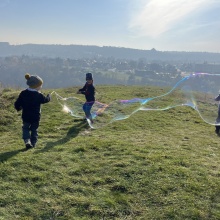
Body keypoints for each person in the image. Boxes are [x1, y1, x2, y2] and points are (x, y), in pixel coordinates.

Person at [14, 73, 51, 149]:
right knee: (34, 129)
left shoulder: (23, 93)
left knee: (25, 128)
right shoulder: (39, 95)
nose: (41, 86)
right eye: (40, 85)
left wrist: (18, 108)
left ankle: (27, 141)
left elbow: (17, 103)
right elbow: (45, 100)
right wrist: (49, 96)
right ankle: (33, 143)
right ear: (37, 86)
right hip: (35, 116)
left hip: (26, 116)